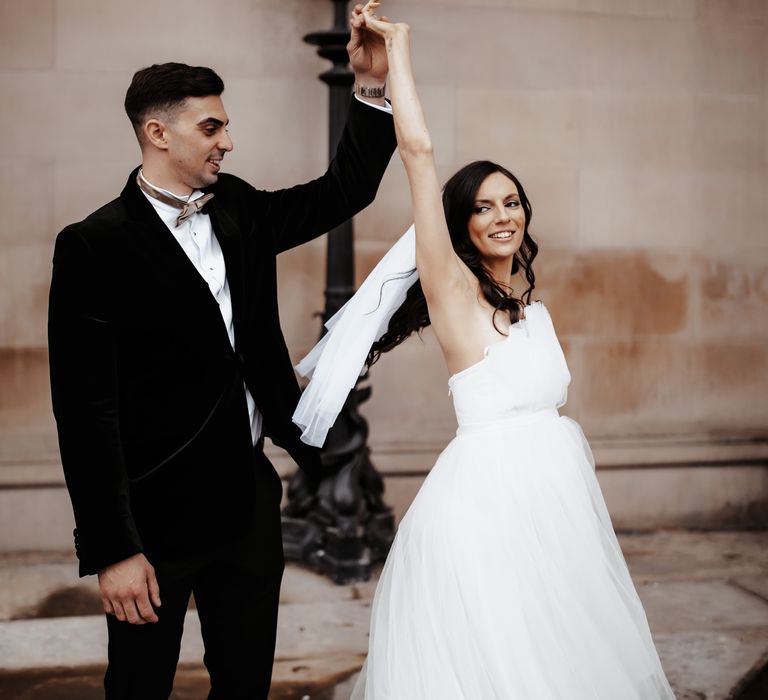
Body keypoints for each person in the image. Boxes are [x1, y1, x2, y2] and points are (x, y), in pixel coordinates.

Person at [294, 2, 677, 698]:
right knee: (500, 660)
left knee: (561, 650)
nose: (502, 217)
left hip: (554, 501)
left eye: (512, 203)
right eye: (484, 207)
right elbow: (418, 153)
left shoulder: (535, 312)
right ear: (461, 226)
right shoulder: (451, 292)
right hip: (484, 506)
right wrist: (396, 57)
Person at [46, 7, 396, 699]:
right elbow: (86, 412)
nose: (228, 142)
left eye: (225, 125)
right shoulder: (93, 245)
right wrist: (114, 550)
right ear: (157, 131)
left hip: (248, 503)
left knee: (245, 686)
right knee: (140, 687)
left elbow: (343, 191)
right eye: (212, 127)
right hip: (156, 522)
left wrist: (371, 88)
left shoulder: (234, 207)